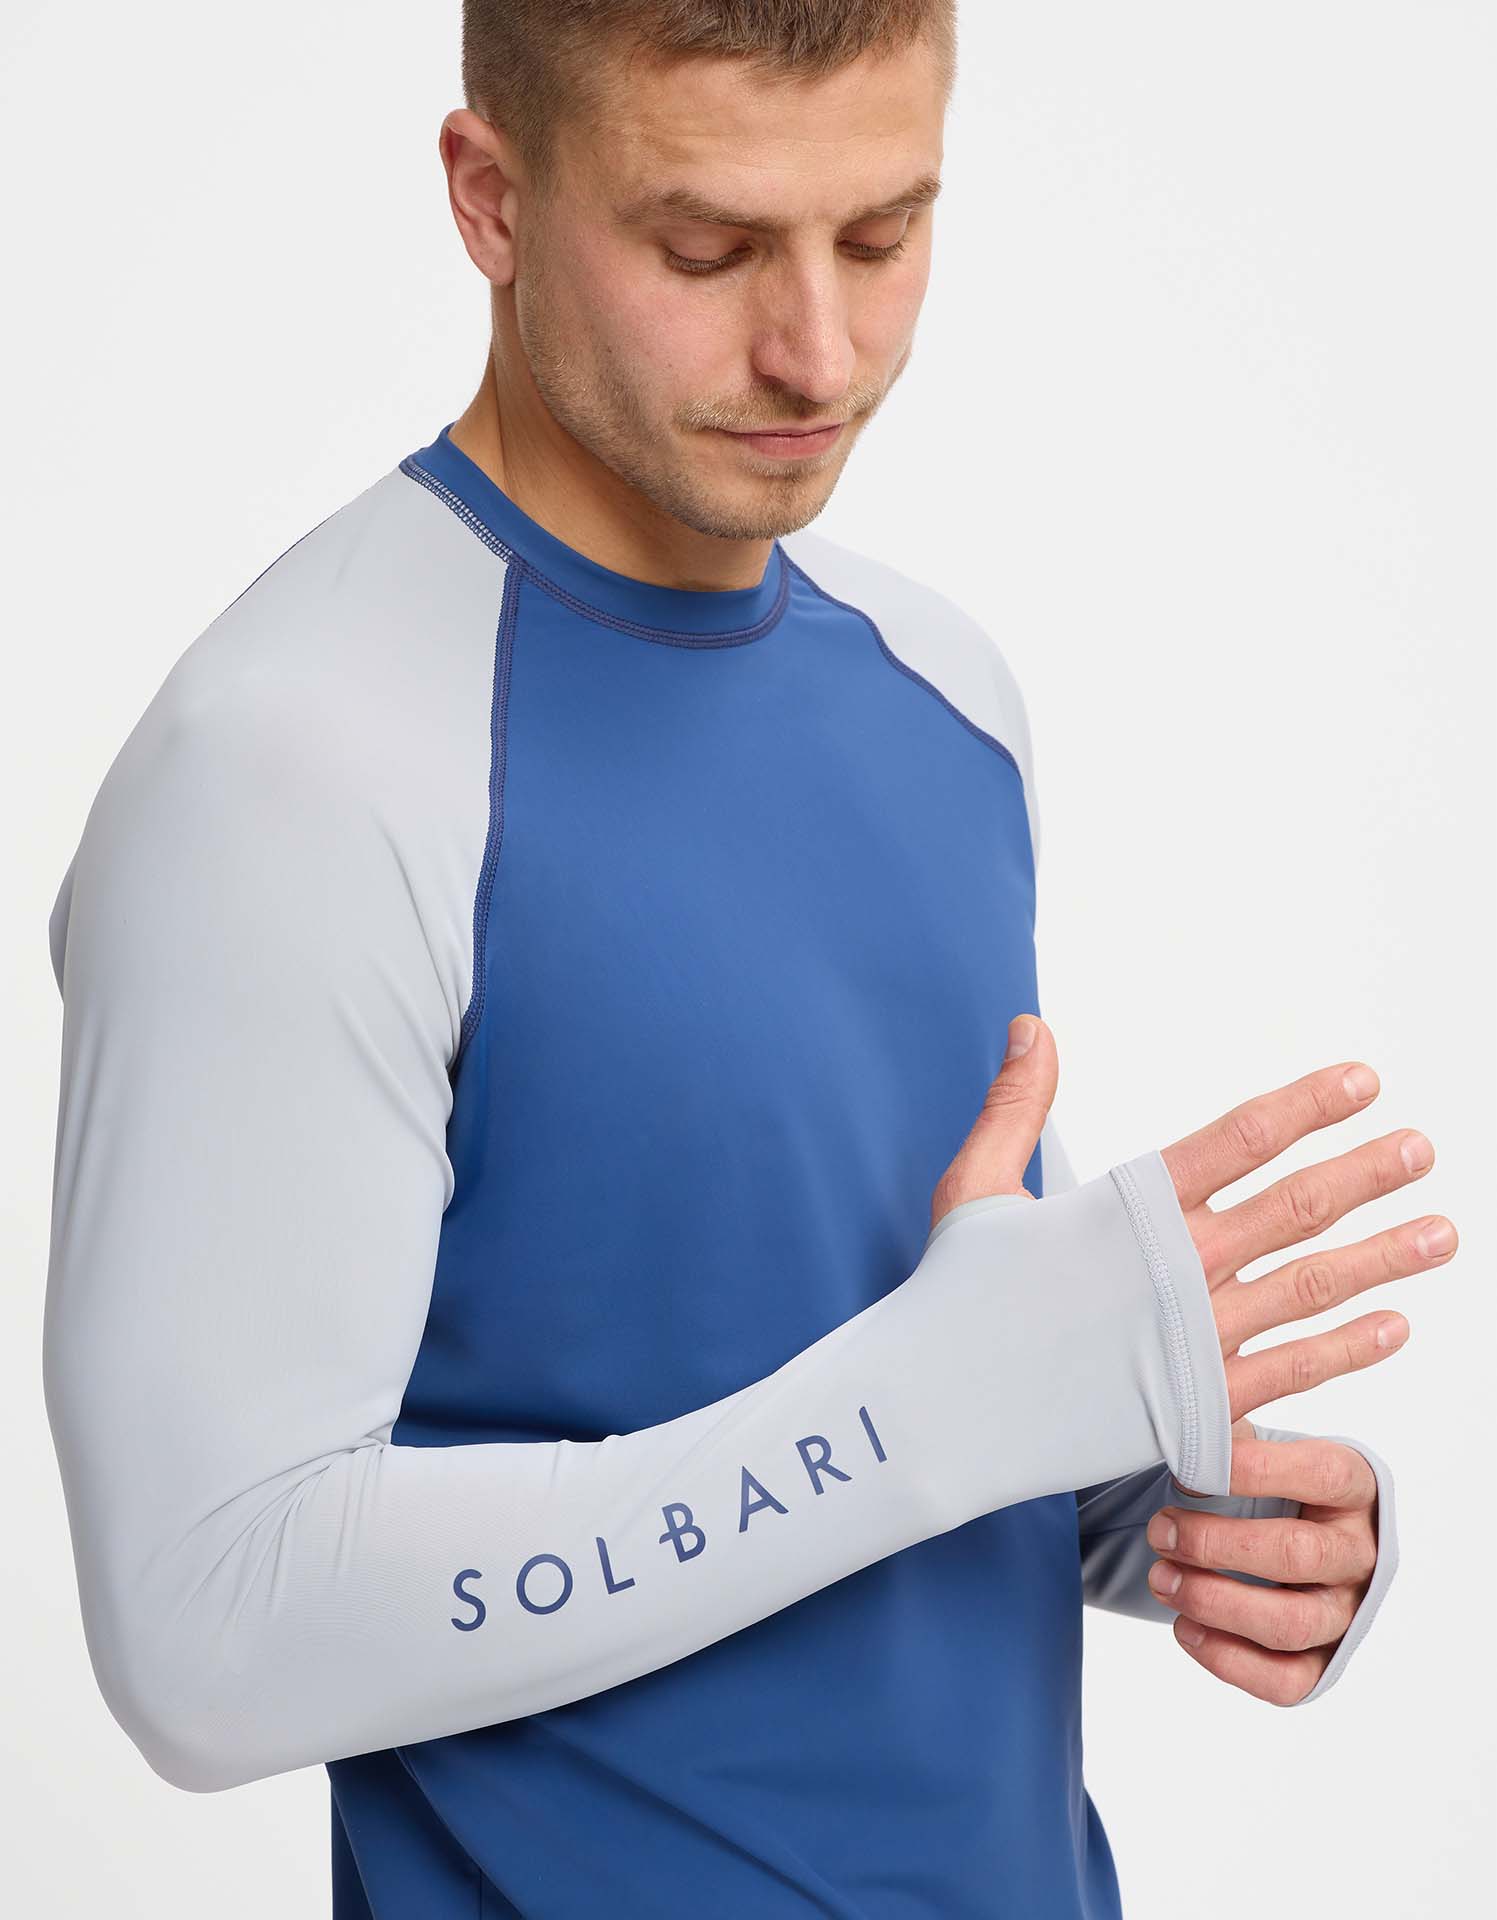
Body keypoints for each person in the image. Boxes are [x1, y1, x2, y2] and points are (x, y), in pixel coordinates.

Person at [41, 4, 1452, 1915]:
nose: (818, 352)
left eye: (881, 236)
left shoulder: (944, 693)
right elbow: (206, 1636)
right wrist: (929, 1411)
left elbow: (884, 1383)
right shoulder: (296, 766)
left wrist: (1165, 1504)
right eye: (705, 250)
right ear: (491, 199)